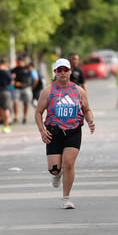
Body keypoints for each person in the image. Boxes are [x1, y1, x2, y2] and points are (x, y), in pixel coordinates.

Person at [34, 58, 95, 209]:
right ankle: (57, 174)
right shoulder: (48, 91)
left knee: (68, 163)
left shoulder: (78, 91)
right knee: (54, 168)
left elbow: (86, 109)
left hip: (73, 131)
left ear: (70, 72)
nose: (62, 73)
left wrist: (90, 121)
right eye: (59, 70)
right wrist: (42, 130)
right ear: (55, 73)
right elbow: (38, 112)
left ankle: (66, 198)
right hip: (53, 132)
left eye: (65, 70)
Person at [11, 56, 32, 124]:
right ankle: (16, 116)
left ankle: (25, 117)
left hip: (25, 88)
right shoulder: (15, 69)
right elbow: (10, 77)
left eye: (20, 61)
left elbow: (31, 78)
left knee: (25, 103)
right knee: (15, 102)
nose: (19, 63)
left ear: (23, 61)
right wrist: (12, 79)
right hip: (17, 88)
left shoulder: (27, 69)